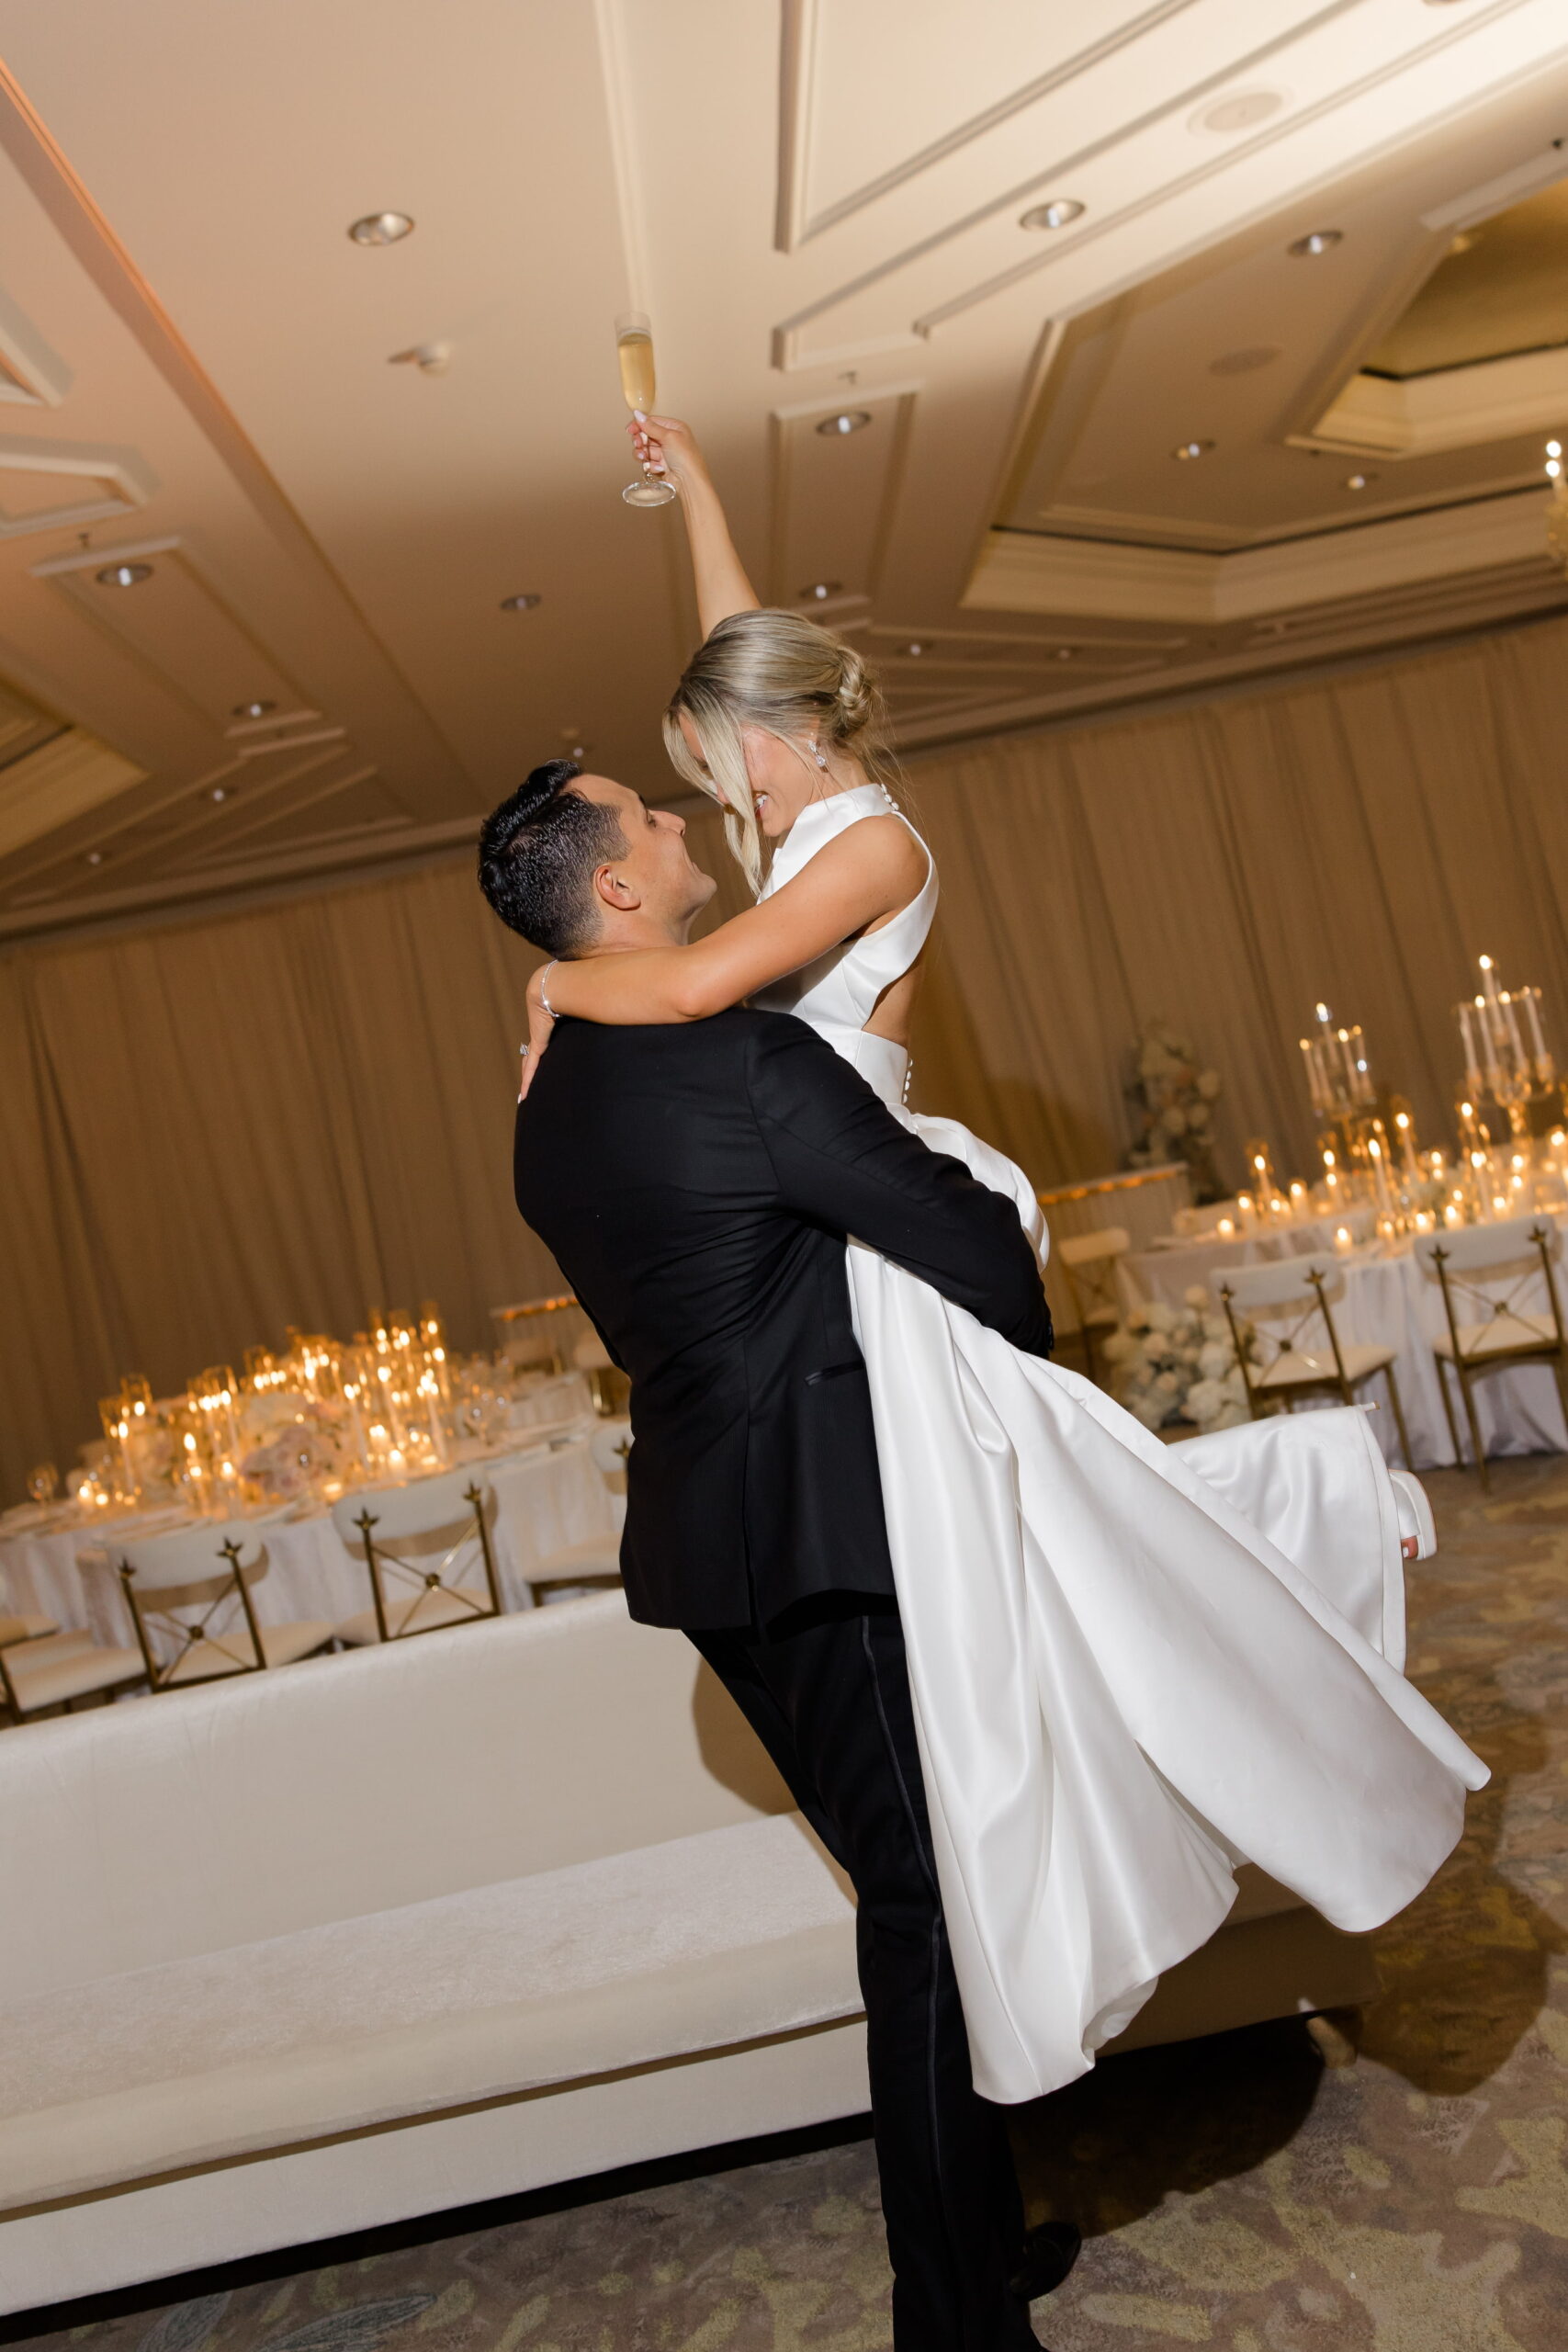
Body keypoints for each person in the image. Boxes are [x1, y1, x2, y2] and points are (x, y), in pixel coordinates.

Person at [506, 415, 1487, 2110]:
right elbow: (740, 634)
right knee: (1023, 1557)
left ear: (771, 743)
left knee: (1037, 1531)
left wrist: (545, 991)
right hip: (825, 1204)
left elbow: (673, 993)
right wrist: (707, 501)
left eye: (711, 755)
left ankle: (1302, 1524)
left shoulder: (869, 845)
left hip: (892, 1201)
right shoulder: (791, 821)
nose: (706, 792)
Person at [482, 763, 1066, 2349]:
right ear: (614, 891)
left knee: (914, 1888)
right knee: (923, 1906)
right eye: (654, 825)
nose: (685, 830)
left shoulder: (544, 1112)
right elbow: (972, 1246)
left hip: (704, 1542)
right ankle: (951, 2313)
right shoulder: (748, 1060)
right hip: (834, 1534)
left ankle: (985, 2245)